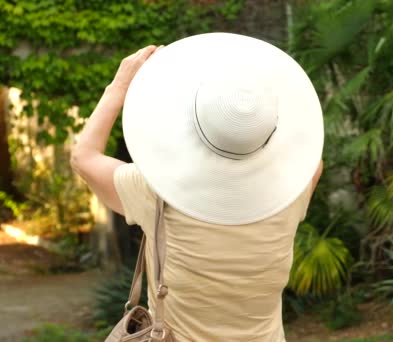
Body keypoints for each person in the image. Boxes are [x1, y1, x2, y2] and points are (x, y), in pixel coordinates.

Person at [71, 33, 324, 341]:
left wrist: (120, 87)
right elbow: (309, 155)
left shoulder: (156, 191)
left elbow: (84, 157)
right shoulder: (294, 189)